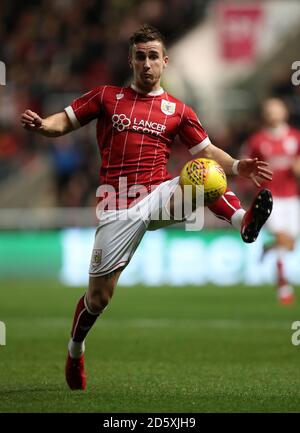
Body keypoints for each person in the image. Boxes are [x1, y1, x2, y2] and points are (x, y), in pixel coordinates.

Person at [21, 24, 273, 390]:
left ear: (165, 62)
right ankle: (75, 351)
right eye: (140, 56)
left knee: (205, 172)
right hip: (117, 204)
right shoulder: (106, 97)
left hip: (159, 195)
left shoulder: (178, 110)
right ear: (131, 60)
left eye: (153, 56)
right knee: (98, 298)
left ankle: (242, 222)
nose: (147, 63)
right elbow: (65, 121)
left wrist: (236, 166)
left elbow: (208, 150)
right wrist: (44, 125)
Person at [244, 97, 300, 305]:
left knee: (290, 244)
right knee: (283, 239)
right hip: (269, 198)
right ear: (264, 114)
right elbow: (247, 167)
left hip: (292, 197)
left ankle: (267, 248)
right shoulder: (256, 141)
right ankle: (283, 287)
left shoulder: (296, 137)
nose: (272, 113)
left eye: (276, 109)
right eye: (269, 110)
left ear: (284, 112)